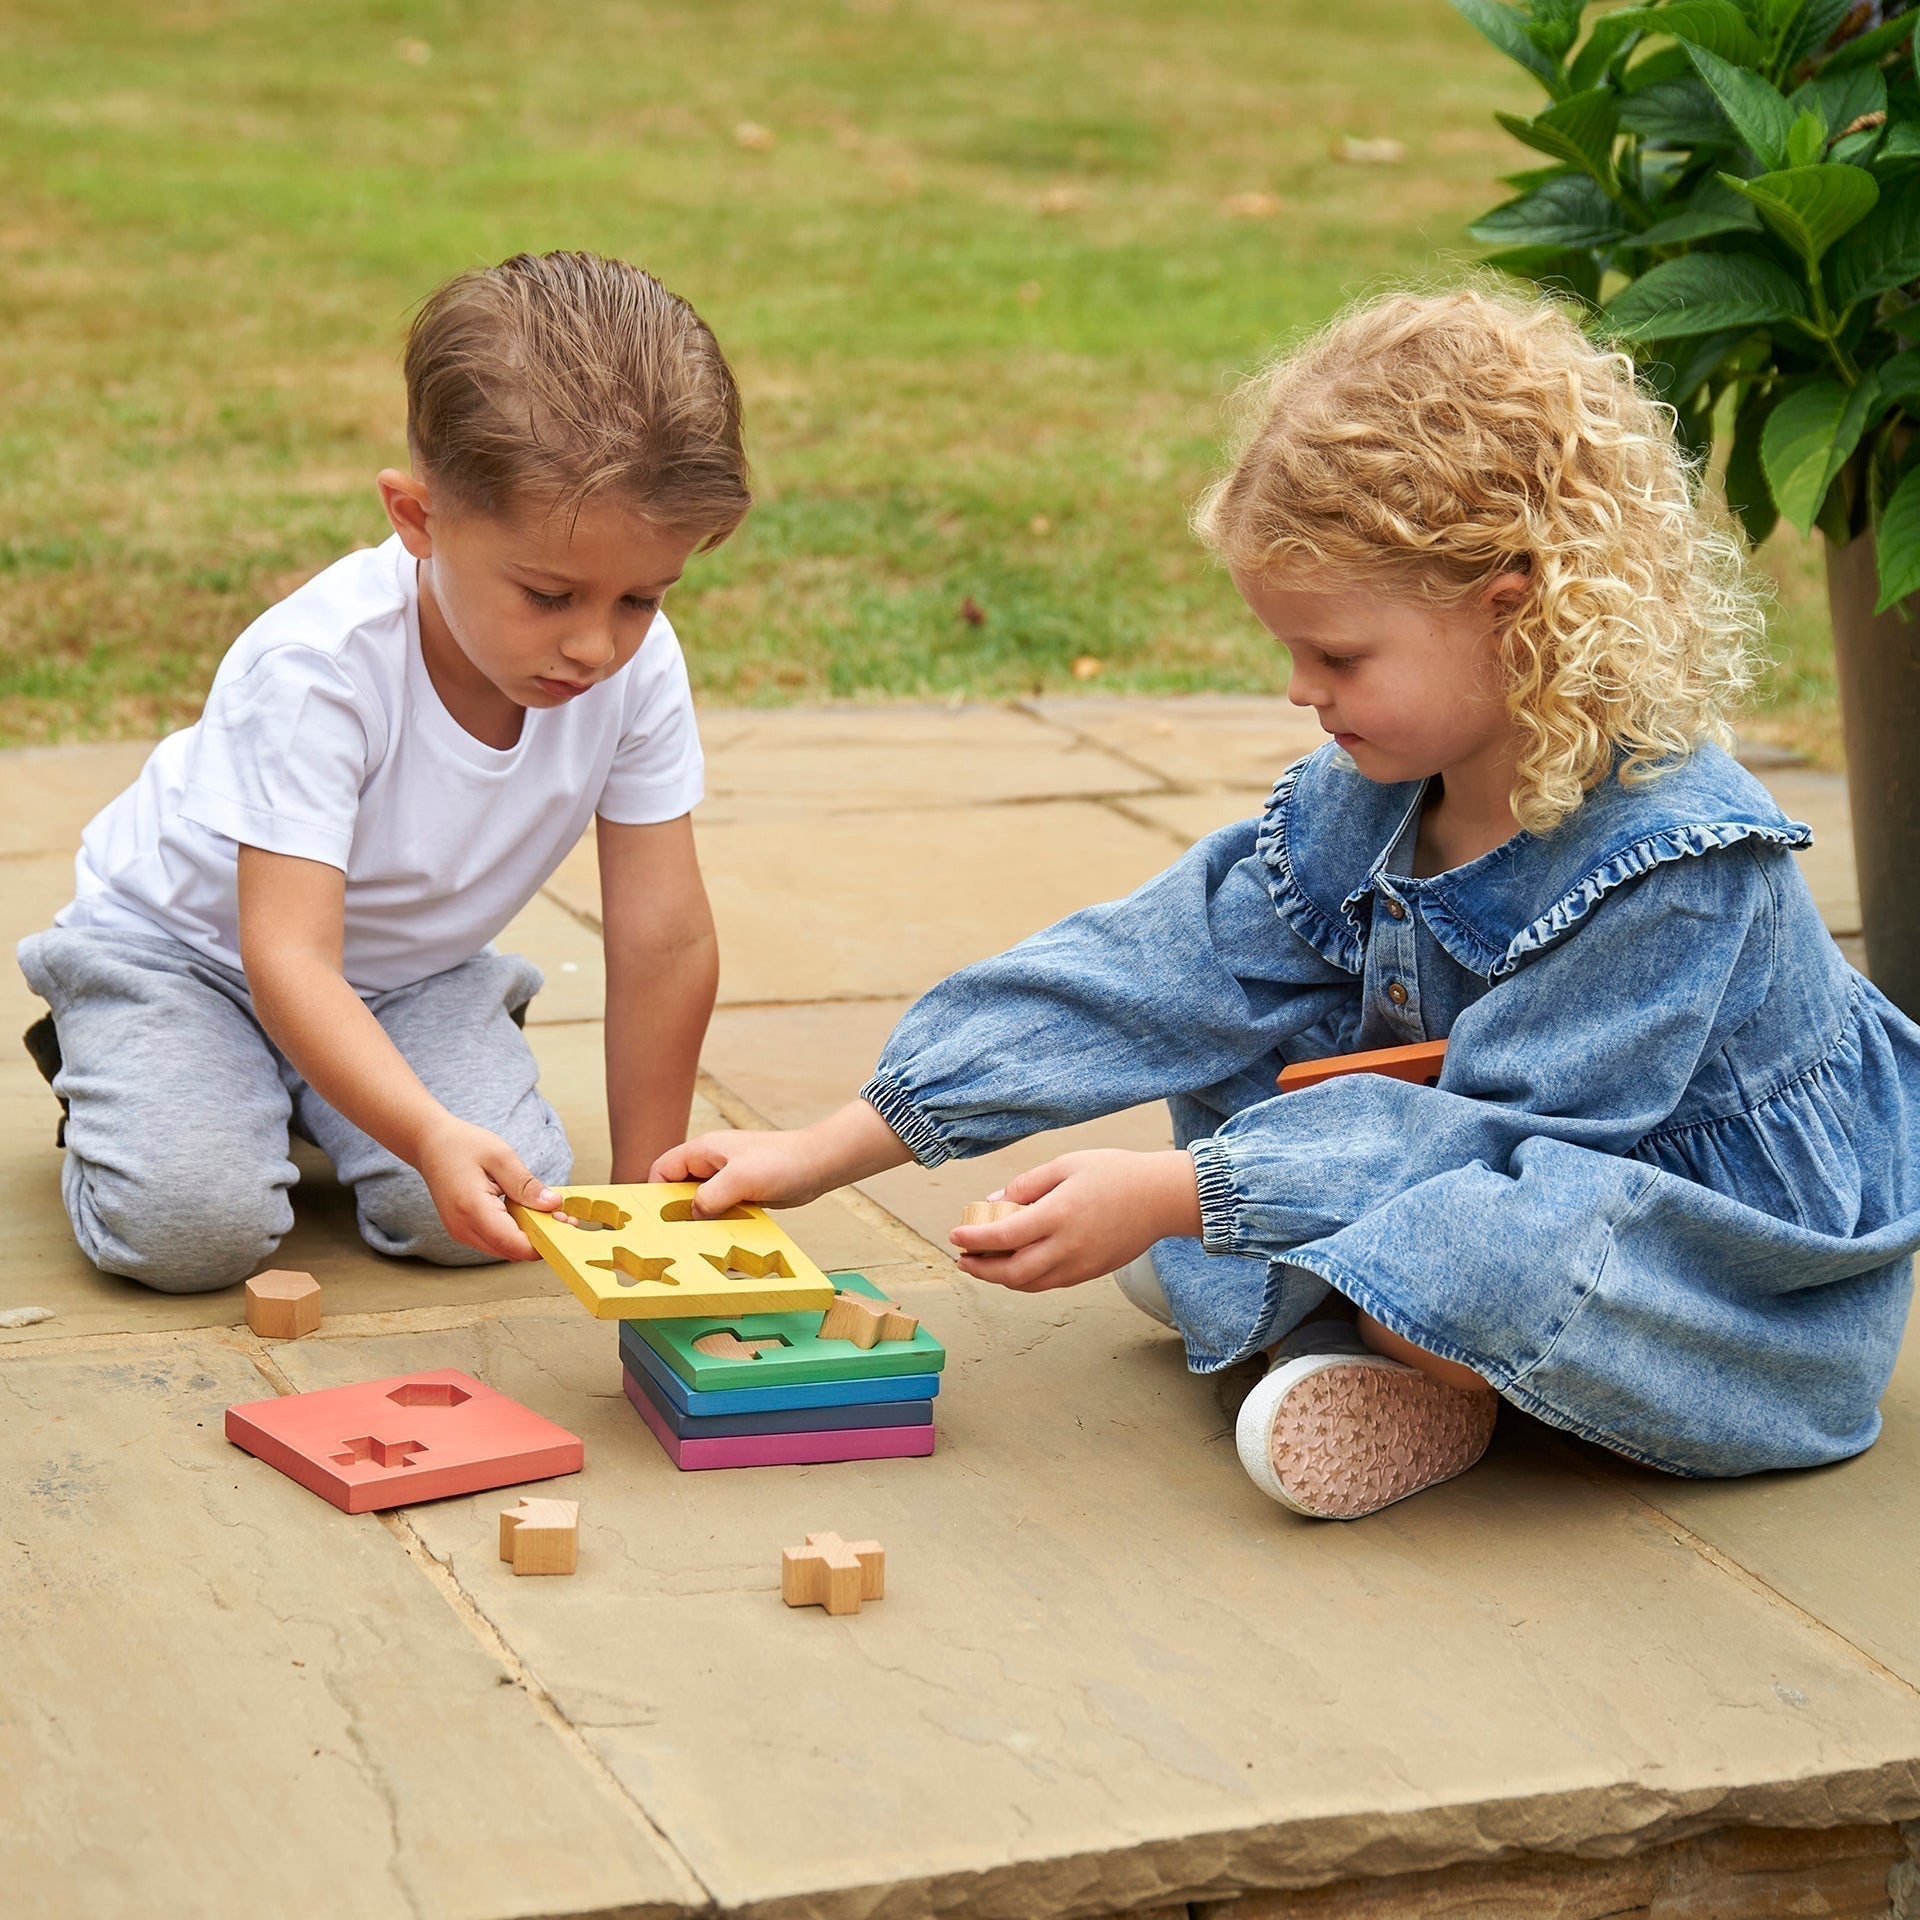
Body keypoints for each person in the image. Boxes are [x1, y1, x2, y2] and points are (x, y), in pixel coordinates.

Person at [654, 288, 1920, 1521]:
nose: (1304, 692)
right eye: (1291, 652)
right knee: (1237, 1076)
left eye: (1339, 655)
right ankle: (1404, 1360)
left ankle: (1379, 1329)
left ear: (1514, 602)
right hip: (1457, 1155)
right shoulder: (1368, 788)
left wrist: (1179, 1197)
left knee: (1465, 1250)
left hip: (1697, 1263)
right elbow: (1153, 967)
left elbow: (1503, 1140)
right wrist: (840, 1142)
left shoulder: (1677, 857)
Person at [19, 250, 748, 1293]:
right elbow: (288, 957)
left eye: (642, 598)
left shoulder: (638, 672)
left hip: (403, 975)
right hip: (188, 960)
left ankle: (325, 1093)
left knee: (492, 1211)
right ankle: (120, 1063)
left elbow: (665, 936)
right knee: (192, 1232)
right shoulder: (316, 669)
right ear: (418, 520)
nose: (596, 645)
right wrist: (421, 1124)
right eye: (549, 596)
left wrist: (646, 1204)